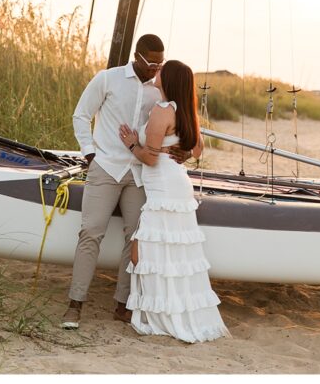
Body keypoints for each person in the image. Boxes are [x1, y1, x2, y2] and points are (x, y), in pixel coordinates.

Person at [62, 34, 190, 329]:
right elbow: (81, 115)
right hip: (105, 167)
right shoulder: (108, 79)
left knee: (136, 239)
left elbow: (171, 127)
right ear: (137, 55)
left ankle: (122, 305)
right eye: (151, 63)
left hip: (140, 174)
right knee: (91, 232)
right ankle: (75, 304)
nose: (155, 69)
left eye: (160, 64)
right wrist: (90, 153)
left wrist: (178, 149)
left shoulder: (160, 92)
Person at [117, 60, 230, 343]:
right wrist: (183, 153)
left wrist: (131, 143)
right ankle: (169, 311)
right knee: (172, 250)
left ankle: (161, 314)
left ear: (168, 79)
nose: (156, 73)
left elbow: (151, 157)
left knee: (144, 250)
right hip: (176, 181)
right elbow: (198, 148)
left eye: (160, 71)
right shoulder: (184, 110)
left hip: (164, 186)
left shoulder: (163, 110)